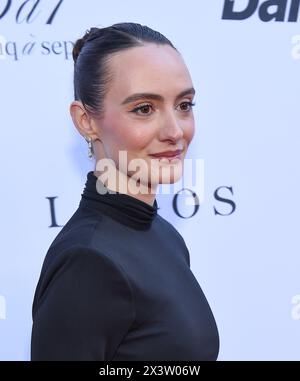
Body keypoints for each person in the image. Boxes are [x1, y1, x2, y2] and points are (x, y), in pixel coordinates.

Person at [31, 22, 219, 361]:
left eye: (184, 105)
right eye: (144, 108)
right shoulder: (88, 261)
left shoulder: (163, 235)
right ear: (86, 121)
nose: (175, 131)